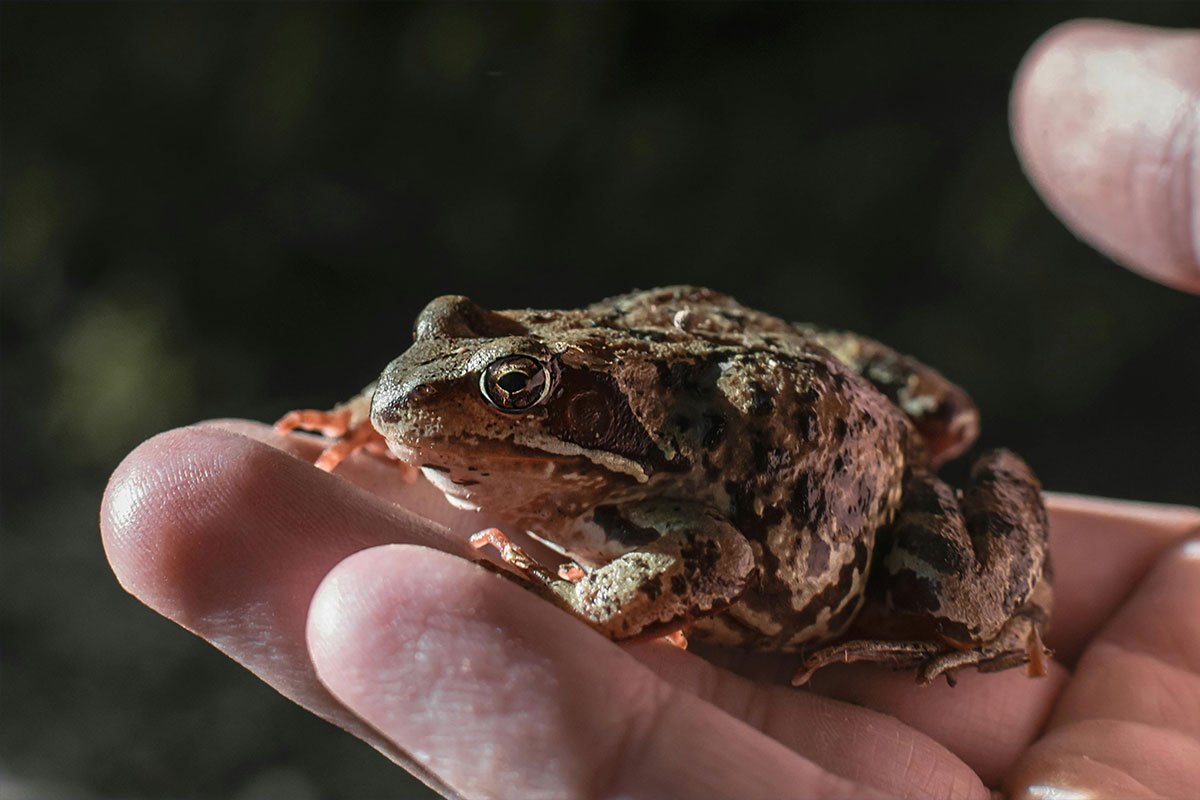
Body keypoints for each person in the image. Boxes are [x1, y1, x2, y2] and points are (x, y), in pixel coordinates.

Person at [101, 19, 1200, 799]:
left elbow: (714, 554)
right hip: (734, 369)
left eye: (515, 391)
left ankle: (993, 616)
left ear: (565, 405)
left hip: (848, 475)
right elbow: (456, 368)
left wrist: (583, 599)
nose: (412, 394)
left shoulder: (650, 483)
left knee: (953, 591)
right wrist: (367, 415)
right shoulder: (525, 376)